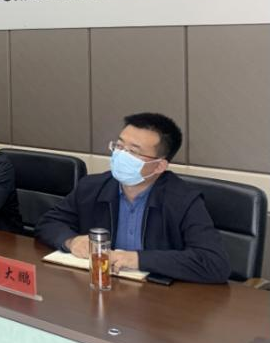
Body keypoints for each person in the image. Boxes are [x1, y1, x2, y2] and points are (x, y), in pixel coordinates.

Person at [35, 113, 231, 284]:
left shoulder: (183, 200)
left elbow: (214, 263)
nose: (121, 155)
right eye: (119, 146)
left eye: (133, 152)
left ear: (159, 166)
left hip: (158, 301)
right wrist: (71, 241)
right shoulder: (92, 187)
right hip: (101, 288)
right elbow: (49, 223)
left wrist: (136, 259)